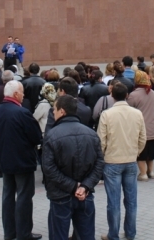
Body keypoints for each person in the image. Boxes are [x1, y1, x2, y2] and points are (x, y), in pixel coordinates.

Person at [42, 95, 105, 240]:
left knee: (58, 235)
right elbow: (99, 164)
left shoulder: (51, 135)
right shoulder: (91, 134)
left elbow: (48, 167)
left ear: (62, 111)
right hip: (84, 194)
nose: (53, 113)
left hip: (61, 195)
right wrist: (84, 186)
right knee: (86, 235)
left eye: (54, 109)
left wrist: (75, 186)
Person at [0, 81, 44, 240]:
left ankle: (9, 233)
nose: (23, 95)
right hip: (22, 161)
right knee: (24, 197)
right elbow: (36, 136)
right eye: (22, 92)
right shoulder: (22, 113)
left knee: (8, 196)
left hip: (5, 160)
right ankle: (24, 233)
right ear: (16, 94)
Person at [97, 82, 146, 240]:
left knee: (113, 201)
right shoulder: (137, 113)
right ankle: (130, 233)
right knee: (131, 200)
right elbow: (142, 138)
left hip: (112, 161)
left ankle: (113, 234)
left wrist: (103, 157)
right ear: (127, 95)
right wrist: (135, 152)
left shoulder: (106, 114)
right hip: (131, 160)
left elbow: (101, 141)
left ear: (112, 95)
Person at [127, 70, 154, 181]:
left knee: (141, 152)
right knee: (151, 151)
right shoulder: (152, 92)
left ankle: (143, 173)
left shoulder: (133, 95)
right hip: (151, 126)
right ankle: (151, 171)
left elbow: (128, 110)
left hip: (139, 127)